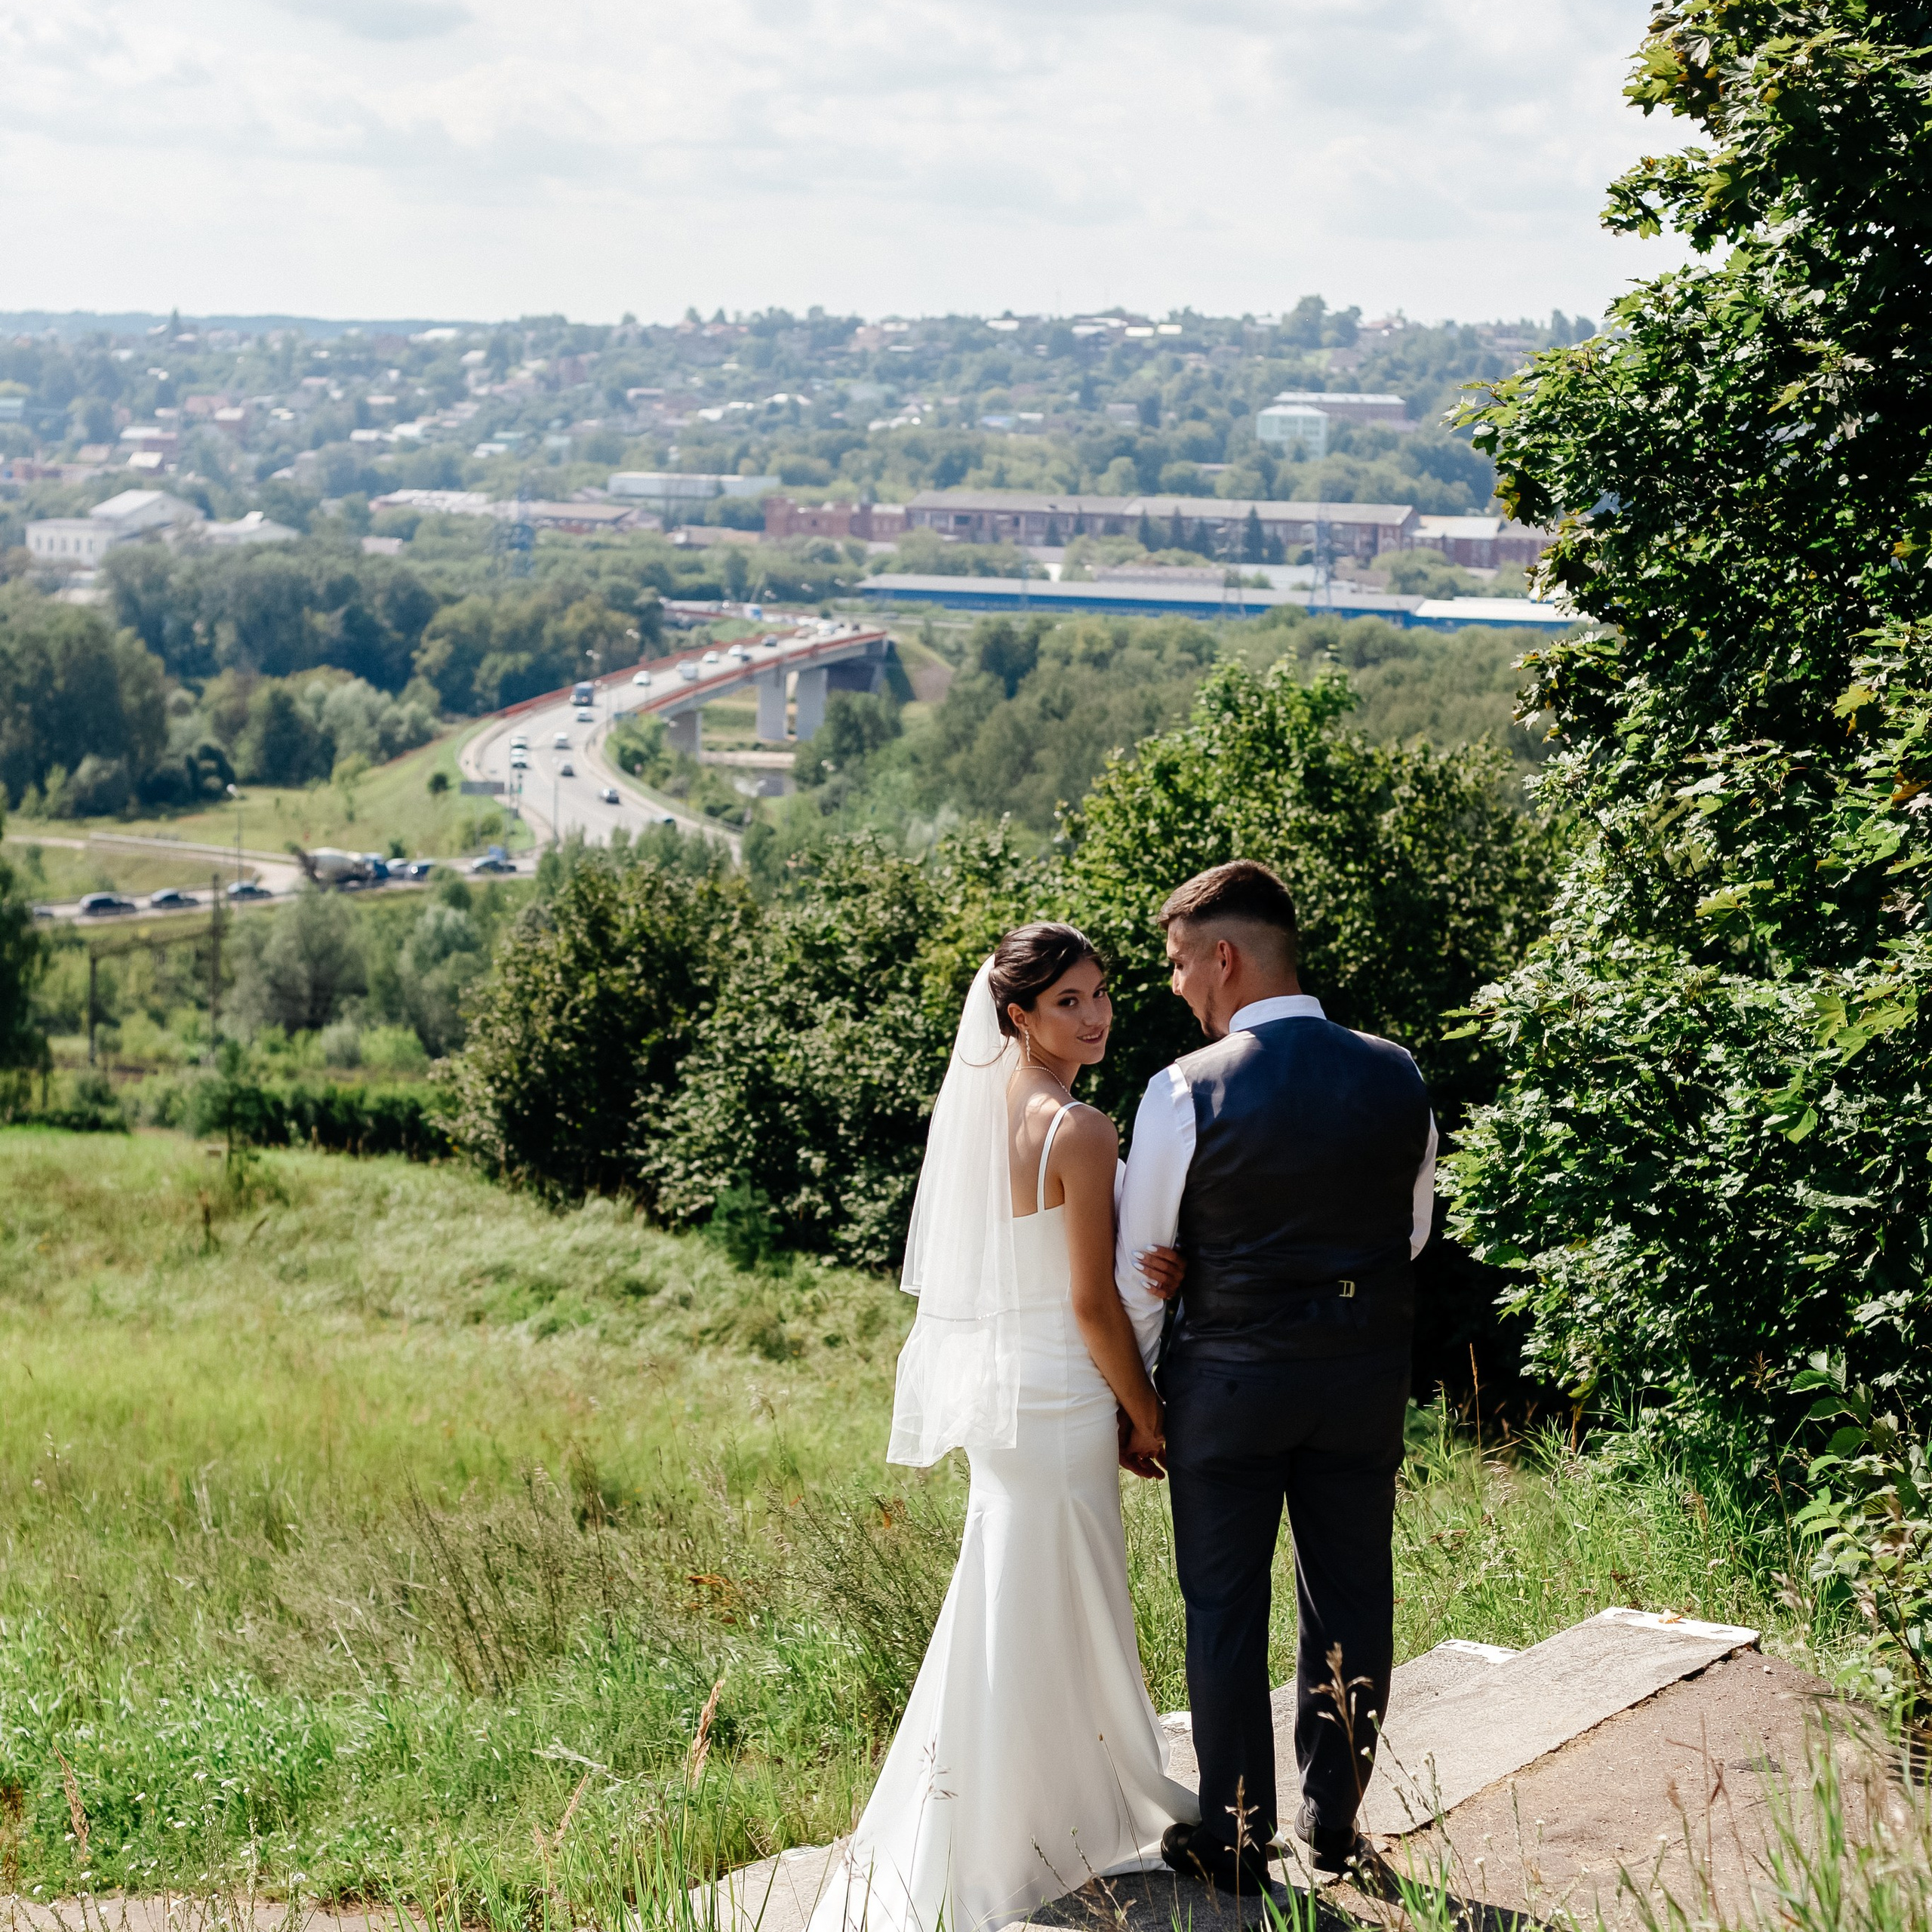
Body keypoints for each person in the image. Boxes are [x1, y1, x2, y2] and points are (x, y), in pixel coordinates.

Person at [808, 924, 1197, 1932]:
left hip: (1007, 1402)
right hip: (1062, 1397)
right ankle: (1019, 1836)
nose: (1096, 1015)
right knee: (1051, 1603)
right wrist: (1146, 1413)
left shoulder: (983, 1118)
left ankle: (1026, 1816)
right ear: (1016, 1015)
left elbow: (1065, 1275)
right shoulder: (1079, 1127)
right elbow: (1090, 1304)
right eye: (1069, 1001)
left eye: (1102, 994)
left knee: (1018, 1602)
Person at [1116, 860, 1435, 1890]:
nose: (1174, 988)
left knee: (1224, 1608)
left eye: (1177, 966)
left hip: (1229, 1386)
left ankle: (1238, 1837)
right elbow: (1413, 1236)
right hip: (1359, 1377)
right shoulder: (1399, 1073)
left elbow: (1141, 1267)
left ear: (1225, 958)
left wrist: (1142, 1402)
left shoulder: (1182, 1090)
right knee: (1353, 1599)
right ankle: (1334, 1828)